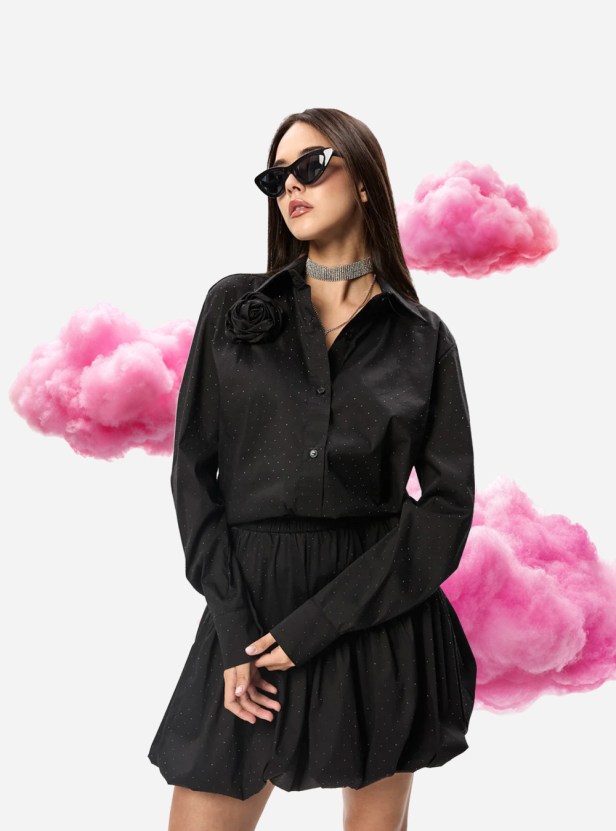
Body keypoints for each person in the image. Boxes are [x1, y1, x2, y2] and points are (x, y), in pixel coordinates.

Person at [148, 107, 476, 831]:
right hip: (253, 612)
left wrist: (322, 622)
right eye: (277, 177)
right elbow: (192, 474)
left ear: (364, 181)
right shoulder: (233, 306)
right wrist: (236, 628)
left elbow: (448, 507)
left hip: (380, 611)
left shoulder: (422, 338)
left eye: (311, 165)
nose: (290, 186)